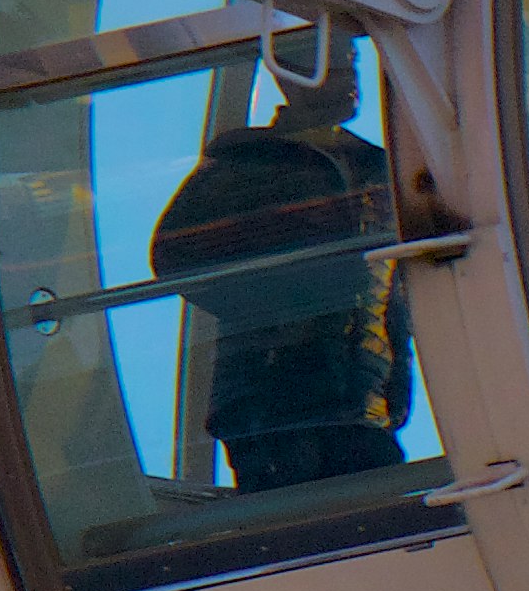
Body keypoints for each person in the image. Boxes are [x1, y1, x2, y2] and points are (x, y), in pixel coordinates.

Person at [152, 66, 411, 490]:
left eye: (352, 62)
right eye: (333, 64)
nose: (350, 76)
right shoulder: (249, 160)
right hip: (269, 400)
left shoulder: (377, 168)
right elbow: (177, 256)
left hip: (361, 398)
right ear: (289, 75)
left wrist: (395, 381)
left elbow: (394, 291)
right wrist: (288, 309)